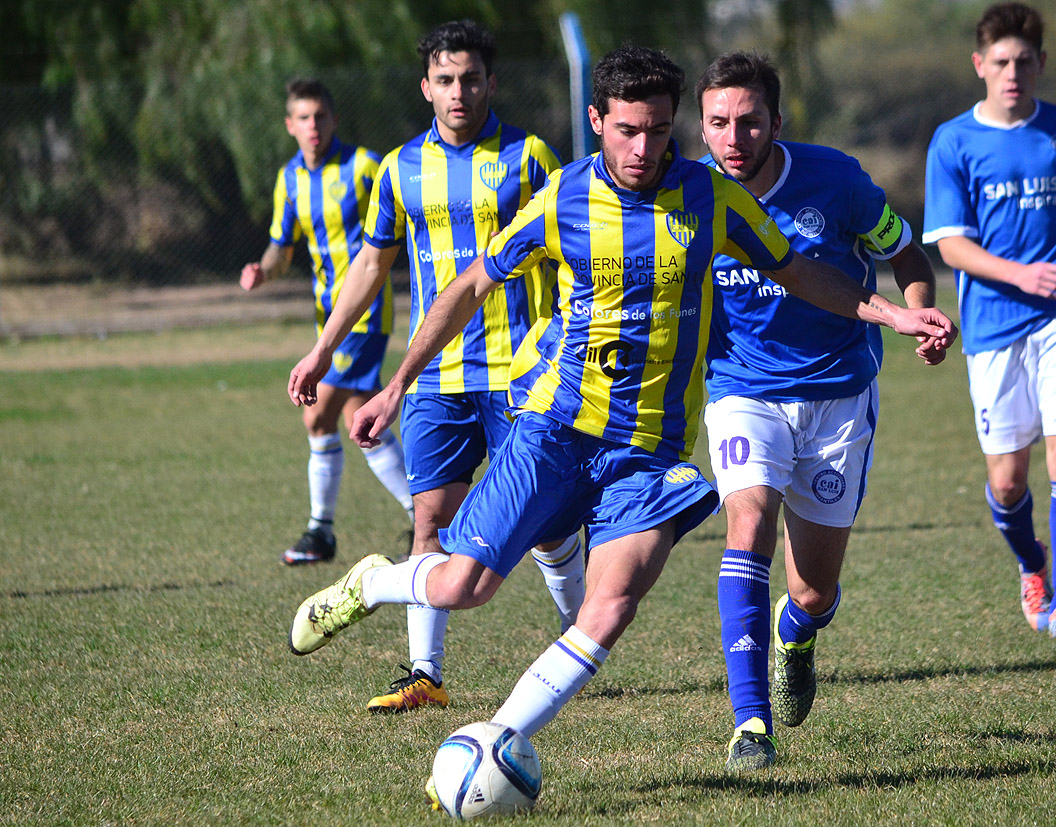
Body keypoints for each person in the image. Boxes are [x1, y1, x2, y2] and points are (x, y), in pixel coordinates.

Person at [286, 45, 955, 791]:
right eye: (629, 130)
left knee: (611, 606)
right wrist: (395, 384)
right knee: (463, 587)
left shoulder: (709, 198)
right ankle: (376, 583)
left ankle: (497, 742)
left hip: (647, 452)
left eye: (660, 131)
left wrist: (892, 314)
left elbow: (800, 272)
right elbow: (472, 282)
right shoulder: (564, 198)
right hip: (554, 430)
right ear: (598, 120)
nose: (644, 148)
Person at [285, 21, 585, 715]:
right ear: (425, 87)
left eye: (471, 78)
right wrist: (323, 348)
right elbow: (370, 265)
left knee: (545, 524)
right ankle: (426, 673)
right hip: (437, 378)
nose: (459, 92)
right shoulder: (398, 169)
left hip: (524, 372)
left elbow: (574, 242)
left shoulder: (530, 156)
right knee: (430, 522)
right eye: (445, 80)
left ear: (492, 82)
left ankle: (578, 639)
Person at [696, 52, 946, 770]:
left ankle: (797, 633)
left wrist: (921, 318)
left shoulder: (835, 181)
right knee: (748, 524)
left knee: (814, 585)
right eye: (718, 122)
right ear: (702, 126)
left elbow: (908, 256)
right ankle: (751, 723)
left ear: (777, 120)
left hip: (839, 394)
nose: (734, 137)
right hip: (741, 390)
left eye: (748, 121)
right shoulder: (689, 194)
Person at [923, 2, 1056, 638]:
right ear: (980, 65)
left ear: (1041, 64)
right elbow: (949, 244)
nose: (1013, 73)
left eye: (1025, 62)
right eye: (1001, 62)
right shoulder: (954, 141)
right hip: (992, 323)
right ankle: (1032, 564)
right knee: (1008, 482)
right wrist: (1018, 275)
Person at [241, 78, 413, 566]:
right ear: (290, 125)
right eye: (303, 117)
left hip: (365, 315)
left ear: (333, 120)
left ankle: (321, 531)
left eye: (320, 116)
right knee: (360, 422)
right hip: (327, 320)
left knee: (317, 415)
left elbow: (400, 221)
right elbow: (282, 246)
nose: (313, 126)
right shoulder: (289, 178)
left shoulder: (363, 166)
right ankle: (425, 515)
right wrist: (264, 270)